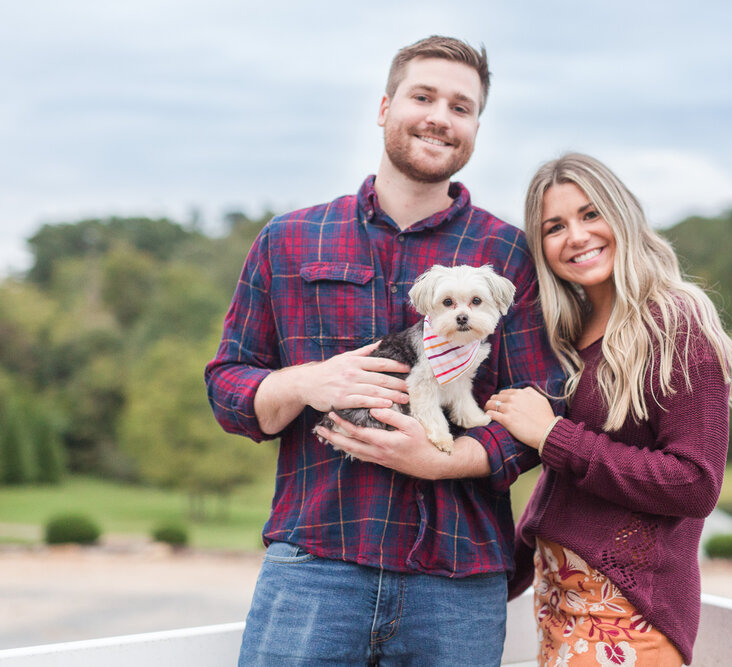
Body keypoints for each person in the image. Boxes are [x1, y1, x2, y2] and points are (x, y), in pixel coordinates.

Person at [205, 36, 561, 666]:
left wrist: (446, 460)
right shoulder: (289, 239)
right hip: (316, 565)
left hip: (459, 578)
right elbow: (229, 388)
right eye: (423, 96)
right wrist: (305, 382)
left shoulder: (509, 257)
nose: (439, 117)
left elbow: (542, 411)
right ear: (384, 107)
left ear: (476, 126)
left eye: (461, 106)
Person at [487, 153, 732, 666]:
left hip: (626, 616)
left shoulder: (675, 325)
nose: (577, 236)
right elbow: (565, 488)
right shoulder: (568, 336)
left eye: (590, 214)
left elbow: (695, 482)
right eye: (554, 227)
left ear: (622, 215)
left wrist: (554, 436)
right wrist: (507, 571)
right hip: (559, 605)